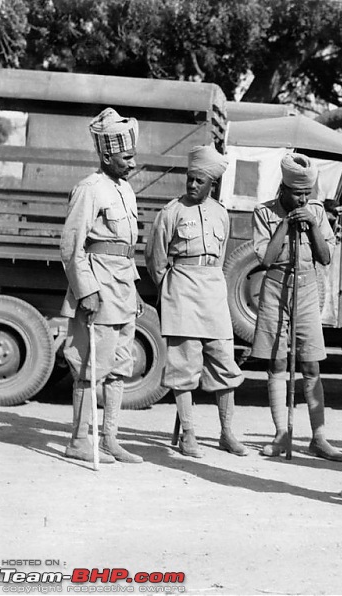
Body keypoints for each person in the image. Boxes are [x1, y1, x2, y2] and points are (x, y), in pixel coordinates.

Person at [145, 145, 247, 458]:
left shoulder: (220, 213)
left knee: (224, 363)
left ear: (211, 184)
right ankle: (189, 434)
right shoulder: (171, 212)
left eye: (199, 181)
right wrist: (171, 291)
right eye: (190, 179)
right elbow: (155, 259)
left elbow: (221, 254)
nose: (192, 185)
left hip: (213, 292)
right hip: (182, 291)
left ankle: (227, 432)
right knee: (184, 366)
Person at [60, 107, 144, 464]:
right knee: (91, 364)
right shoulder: (89, 189)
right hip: (99, 285)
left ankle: (109, 438)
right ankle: (80, 440)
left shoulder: (125, 189)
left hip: (124, 286)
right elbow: (71, 246)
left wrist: (135, 289)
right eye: (125, 157)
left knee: (120, 364)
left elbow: (125, 249)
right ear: (107, 155)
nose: (132, 163)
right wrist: (87, 291)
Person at [251, 153, 342, 462]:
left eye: (308, 193)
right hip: (276, 288)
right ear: (284, 188)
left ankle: (318, 438)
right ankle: (281, 434)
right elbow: (265, 259)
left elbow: (325, 257)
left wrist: (312, 225)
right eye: (298, 193)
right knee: (277, 364)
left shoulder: (316, 213)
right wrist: (285, 225)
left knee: (311, 364)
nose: (303, 199)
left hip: (306, 289)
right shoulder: (263, 213)